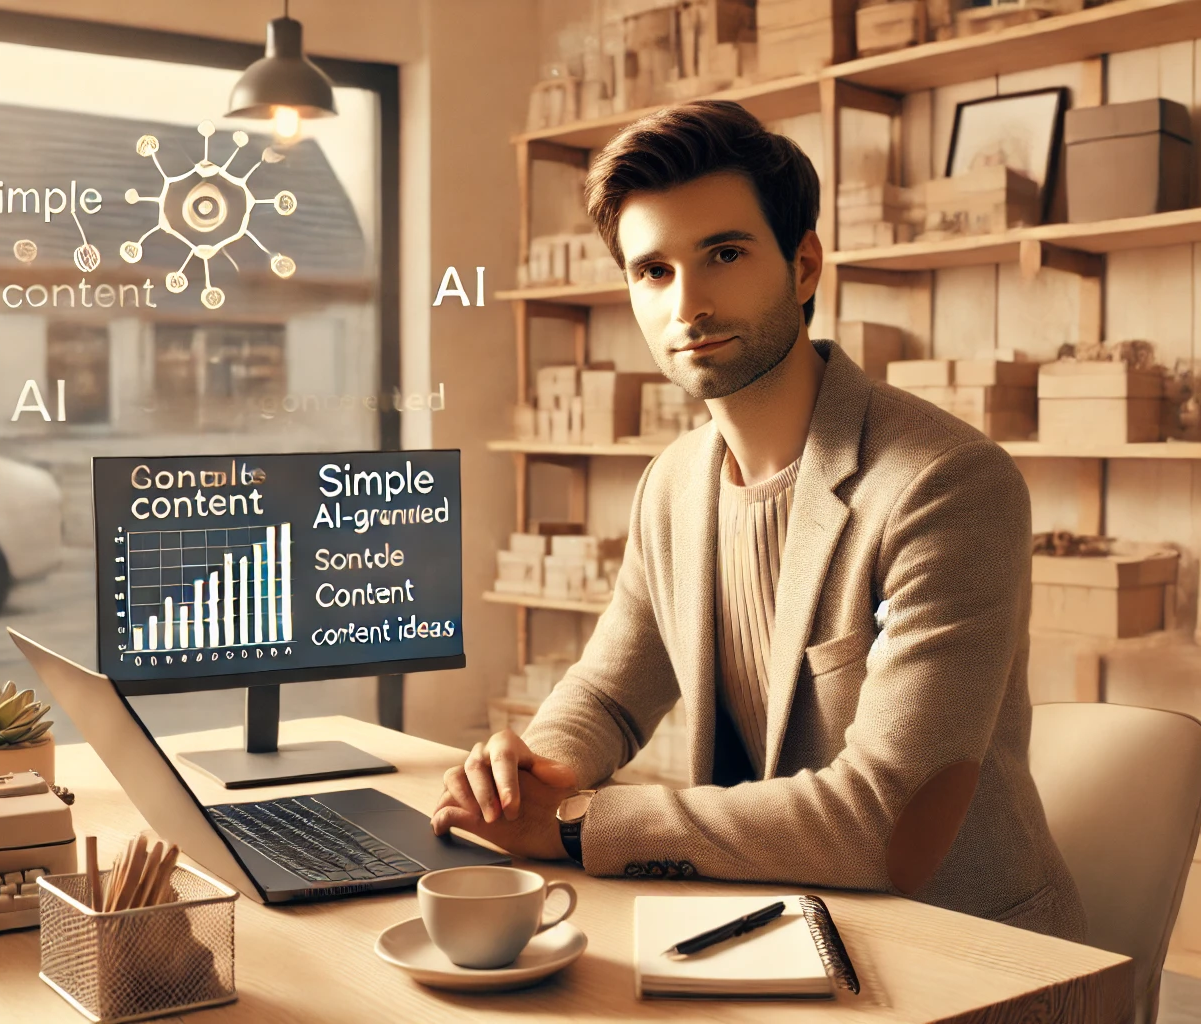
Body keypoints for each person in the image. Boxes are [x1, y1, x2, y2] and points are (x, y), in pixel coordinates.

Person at [431, 100, 1085, 940]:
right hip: (768, 925)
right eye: (652, 272)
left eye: (725, 254)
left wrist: (575, 824)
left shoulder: (947, 485)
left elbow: (884, 820)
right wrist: (529, 773)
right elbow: (609, 691)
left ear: (804, 266)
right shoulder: (671, 484)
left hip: (966, 947)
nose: (687, 305)